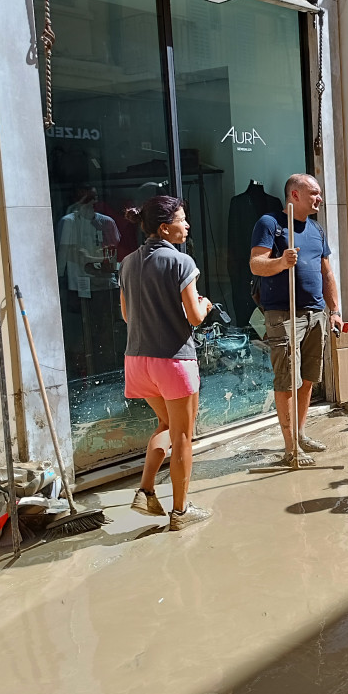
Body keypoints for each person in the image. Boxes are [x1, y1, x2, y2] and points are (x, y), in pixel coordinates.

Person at [119, 196, 214, 530]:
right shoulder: (181, 262)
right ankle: (180, 512)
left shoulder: (128, 262)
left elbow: (127, 315)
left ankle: (145, 490)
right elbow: (194, 317)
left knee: (166, 426)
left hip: (137, 361)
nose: (186, 225)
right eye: (182, 220)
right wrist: (205, 305)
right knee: (184, 436)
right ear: (165, 227)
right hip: (174, 362)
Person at [250, 174, 344, 465]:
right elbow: (256, 264)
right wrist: (281, 262)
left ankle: (301, 434)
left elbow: (326, 272)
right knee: (287, 379)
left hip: (316, 312)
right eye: (314, 193)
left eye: (319, 193)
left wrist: (336, 310)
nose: (319, 198)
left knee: (307, 378)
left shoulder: (316, 229)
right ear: (294, 195)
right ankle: (291, 448)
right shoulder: (270, 224)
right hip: (284, 313)